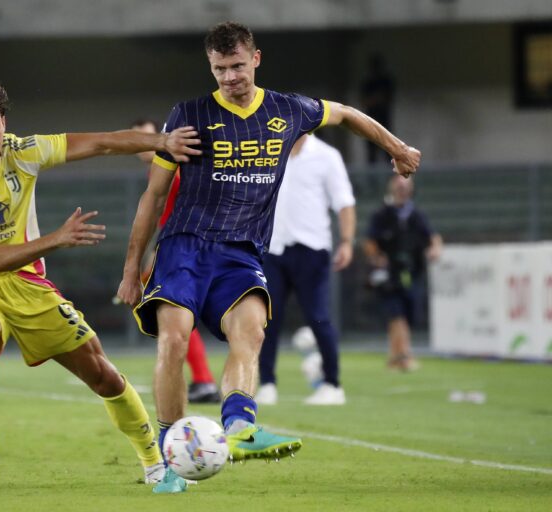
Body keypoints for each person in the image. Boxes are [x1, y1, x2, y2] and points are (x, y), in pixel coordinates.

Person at [117, 21, 420, 493]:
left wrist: (396, 149)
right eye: (220, 69)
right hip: (185, 245)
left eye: (237, 65)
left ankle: (239, 426)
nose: (230, 77)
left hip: (242, 251)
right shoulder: (188, 114)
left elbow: (347, 114)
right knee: (174, 340)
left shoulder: (288, 109)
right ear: (210, 67)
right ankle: (171, 460)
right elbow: (154, 197)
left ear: (256, 59)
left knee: (253, 329)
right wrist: (132, 268)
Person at [0, 80, 201, 486]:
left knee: (103, 374)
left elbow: (101, 143)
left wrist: (163, 141)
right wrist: (56, 239)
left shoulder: (22, 152)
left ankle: (155, 463)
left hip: (26, 284)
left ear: (5, 124)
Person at [255, 133, 356, 407]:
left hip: (311, 248)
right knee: (265, 320)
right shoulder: (268, 152)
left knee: (319, 317)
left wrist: (346, 241)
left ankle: (332, 385)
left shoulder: (326, 156)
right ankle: (267, 384)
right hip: (273, 247)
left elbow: (344, 202)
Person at [131, 118, 221, 404]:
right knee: (177, 313)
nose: (141, 144)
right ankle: (202, 379)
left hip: (185, 246)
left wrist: (159, 253)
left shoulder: (173, 166)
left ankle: (203, 380)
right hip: (180, 244)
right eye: (136, 139)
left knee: (173, 310)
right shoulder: (159, 168)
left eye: (147, 137)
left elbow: (183, 209)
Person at [363, 175, 442, 371]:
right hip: (389, 273)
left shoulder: (416, 215)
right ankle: (404, 355)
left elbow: (432, 237)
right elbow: (369, 241)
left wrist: (434, 249)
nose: (402, 189)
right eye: (399, 185)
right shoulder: (382, 214)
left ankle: (394, 357)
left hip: (412, 272)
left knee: (404, 315)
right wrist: (378, 259)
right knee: (396, 313)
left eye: (405, 186)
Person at [360, 54, 396, 164]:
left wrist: (377, 99)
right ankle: (372, 181)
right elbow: (364, 101)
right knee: (371, 155)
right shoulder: (368, 82)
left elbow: (388, 98)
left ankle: (390, 179)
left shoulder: (386, 81)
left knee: (388, 153)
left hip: (384, 121)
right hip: (370, 122)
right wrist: (375, 99)